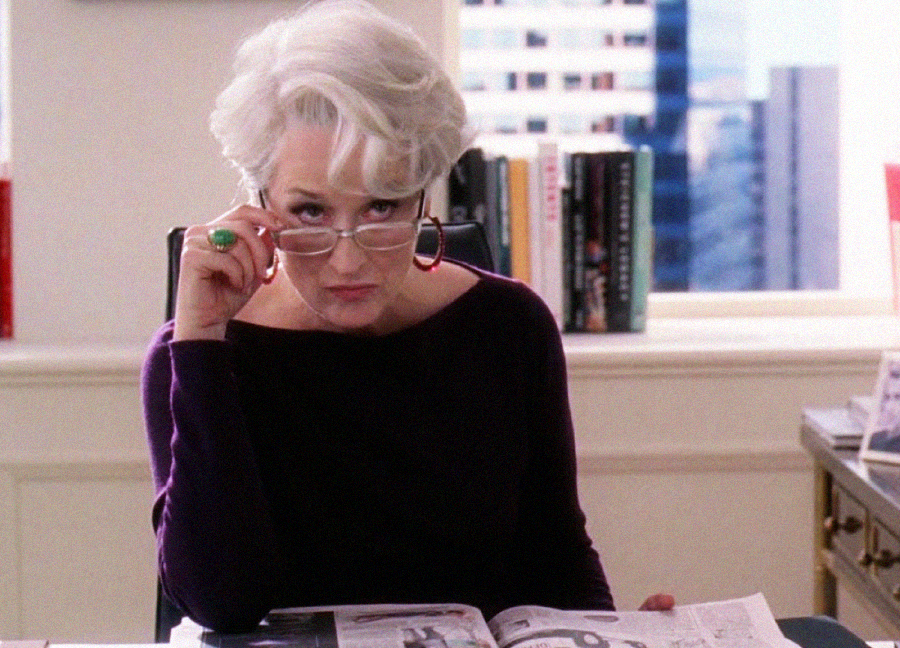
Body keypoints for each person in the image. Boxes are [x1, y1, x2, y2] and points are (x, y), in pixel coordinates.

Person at [142, 0, 673, 634]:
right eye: (310, 211)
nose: (347, 260)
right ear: (259, 203)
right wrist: (202, 344)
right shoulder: (199, 351)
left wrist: (614, 637)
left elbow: (554, 550)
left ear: (424, 195)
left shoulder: (510, 328)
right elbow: (221, 604)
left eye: (381, 207)